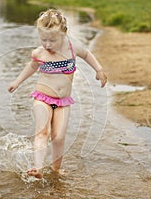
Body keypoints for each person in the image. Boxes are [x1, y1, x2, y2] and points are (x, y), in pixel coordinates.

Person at [7, 9, 107, 179]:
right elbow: (32, 67)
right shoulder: (40, 53)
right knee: (42, 133)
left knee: (59, 137)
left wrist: (99, 70)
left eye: (52, 40)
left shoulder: (72, 47)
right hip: (42, 98)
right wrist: (17, 81)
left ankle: (55, 169)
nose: (47, 44)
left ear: (63, 34)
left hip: (63, 101)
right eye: (43, 39)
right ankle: (38, 168)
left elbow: (87, 54)